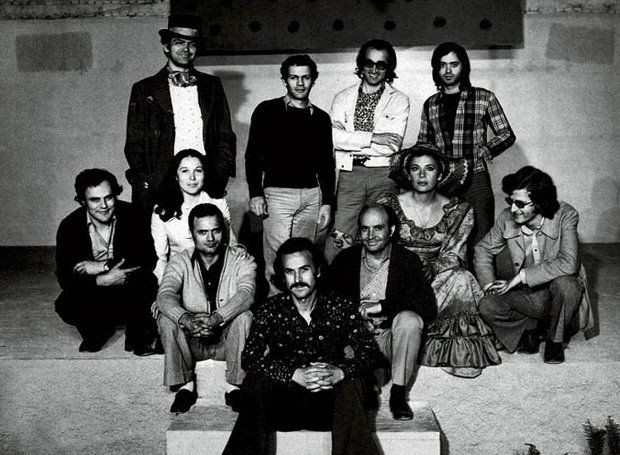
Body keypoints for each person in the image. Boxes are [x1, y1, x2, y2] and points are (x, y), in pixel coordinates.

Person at [223, 238, 380, 455]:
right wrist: (293, 374)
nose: (297, 279)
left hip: (332, 408)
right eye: (290, 272)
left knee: (354, 381)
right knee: (257, 381)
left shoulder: (340, 307)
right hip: (284, 408)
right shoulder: (270, 310)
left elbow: (371, 353)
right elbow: (249, 357)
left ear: (317, 271)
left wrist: (340, 372)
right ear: (283, 277)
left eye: (304, 270)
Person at [383, 143, 501, 378]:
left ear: (440, 174)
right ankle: (405, 335)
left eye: (429, 169)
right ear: (408, 174)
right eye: (415, 169)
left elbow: (454, 254)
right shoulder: (388, 205)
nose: (422, 175)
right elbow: (379, 247)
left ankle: (459, 351)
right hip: (397, 279)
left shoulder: (459, 209)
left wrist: (432, 268)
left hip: (436, 280)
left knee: (462, 278)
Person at [326, 204, 436, 420]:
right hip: (356, 340)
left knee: (410, 320)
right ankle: (368, 380)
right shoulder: (346, 259)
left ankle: (398, 394)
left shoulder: (406, 260)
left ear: (391, 230)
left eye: (378, 228)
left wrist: (382, 306)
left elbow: (426, 305)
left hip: (391, 338)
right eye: (365, 229)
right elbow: (327, 301)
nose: (371, 236)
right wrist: (353, 319)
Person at [474, 166, 594, 364]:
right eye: (511, 202)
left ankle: (555, 340)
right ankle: (530, 330)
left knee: (567, 285)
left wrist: (519, 278)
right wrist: (489, 284)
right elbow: (482, 249)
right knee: (487, 305)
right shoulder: (506, 217)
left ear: (540, 202)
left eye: (520, 204)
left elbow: (569, 263)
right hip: (532, 297)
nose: (513, 209)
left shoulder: (566, 215)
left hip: (562, 299)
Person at [124, 13, 236, 224]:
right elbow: (134, 142)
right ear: (166, 46)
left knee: (207, 235)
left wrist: (218, 177)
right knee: (159, 239)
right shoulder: (144, 89)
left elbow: (225, 136)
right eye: (179, 42)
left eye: (192, 44)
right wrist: (149, 180)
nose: (186, 49)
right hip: (160, 182)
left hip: (203, 180)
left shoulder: (212, 86)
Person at [245, 54, 335, 295]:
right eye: (294, 77)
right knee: (277, 262)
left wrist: (327, 201)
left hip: (311, 196)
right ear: (285, 80)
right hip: (277, 196)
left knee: (304, 259)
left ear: (313, 79)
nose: (300, 83)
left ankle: (302, 312)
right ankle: (277, 311)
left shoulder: (321, 118)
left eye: (306, 77)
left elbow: (327, 164)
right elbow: (252, 156)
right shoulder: (267, 110)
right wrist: (255, 193)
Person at [156, 203, 256, 413]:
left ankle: (234, 386)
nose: (210, 238)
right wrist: (186, 319)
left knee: (245, 316)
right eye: (202, 232)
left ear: (223, 231)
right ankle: (185, 386)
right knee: (166, 317)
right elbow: (165, 295)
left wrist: (217, 318)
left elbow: (246, 294)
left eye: (215, 231)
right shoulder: (180, 261)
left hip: (227, 341)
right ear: (192, 234)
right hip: (191, 341)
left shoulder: (241, 259)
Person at [418, 41, 516, 249]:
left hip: (475, 178)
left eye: (454, 64)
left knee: (481, 241)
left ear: (463, 67)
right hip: (444, 181)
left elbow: (506, 134)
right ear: (436, 69)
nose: (448, 70)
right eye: (442, 65)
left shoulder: (484, 97)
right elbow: (424, 145)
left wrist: (485, 150)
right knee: (448, 241)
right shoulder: (431, 104)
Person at [54, 169, 158, 355]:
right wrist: (101, 279)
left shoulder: (134, 214)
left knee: (147, 282)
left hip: (128, 287)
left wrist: (103, 266)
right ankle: (99, 330)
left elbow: (147, 257)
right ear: (82, 201)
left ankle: (137, 337)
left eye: (108, 198)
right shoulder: (69, 226)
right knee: (65, 303)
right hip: (95, 292)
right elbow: (64, 275)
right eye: (95, 200)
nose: (103, 206)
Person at [326, 38, 410, 262]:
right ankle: (336, 282)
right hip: (350, 174)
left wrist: (350, 140)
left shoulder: (399, 100)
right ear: (360, 65)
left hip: (384, 175)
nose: (374, 70)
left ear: (389, 68)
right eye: (369, 63)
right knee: (340, 237)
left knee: (380, 236)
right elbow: (332, 138)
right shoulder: (342, 97)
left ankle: (377, 281)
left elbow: (391, 146)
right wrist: (373, 137)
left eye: (381, 65)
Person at [151, 148, 235, 284]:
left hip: (217, 275)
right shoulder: (162, 209)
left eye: (198, 170)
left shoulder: (218, 202)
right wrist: (167, 289)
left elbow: (231, 245)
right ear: (176, 176)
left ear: (205, 173)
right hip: (180, 276)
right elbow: (160, 258)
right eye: (185, 171)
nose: (192, 177)